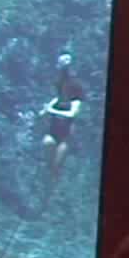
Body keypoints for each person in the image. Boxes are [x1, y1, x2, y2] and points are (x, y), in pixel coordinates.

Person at [40, 52, 83, 180]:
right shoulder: (58, 83)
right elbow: (57, 98)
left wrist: (51, 111)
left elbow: (72, 113)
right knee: (47, 143)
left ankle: (55, 178)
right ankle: (49, 175)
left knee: (57, 165)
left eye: (67, 61)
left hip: (67, 133)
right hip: (54, 127)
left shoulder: (77, 87)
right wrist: (46, 110)